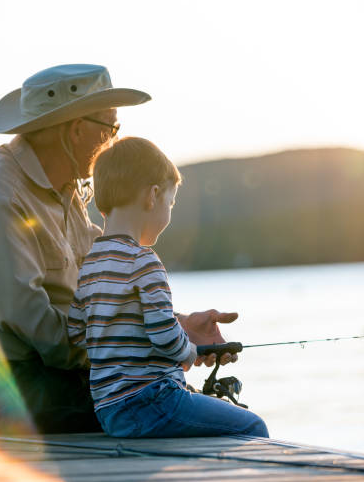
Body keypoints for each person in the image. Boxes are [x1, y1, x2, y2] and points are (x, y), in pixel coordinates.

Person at [0, 63, 239, 434]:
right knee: (196, 412)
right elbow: (31, 323)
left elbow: (110, 284)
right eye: (111, 128)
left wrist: (180, 326)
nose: (114, 140)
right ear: (77, 130)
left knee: (176, 399)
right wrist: (142, 350)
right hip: (17, 389)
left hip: (62, 376)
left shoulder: (68, 190)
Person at [68, 137, 268, 438]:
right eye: (170, 202)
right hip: (152, 402)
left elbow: (76, 333)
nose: (170, 212)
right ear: (153, 196)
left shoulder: (90, 265)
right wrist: (189, 353)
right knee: (252, 425)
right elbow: (164, 335)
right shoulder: (143, 261)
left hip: (108, 411)